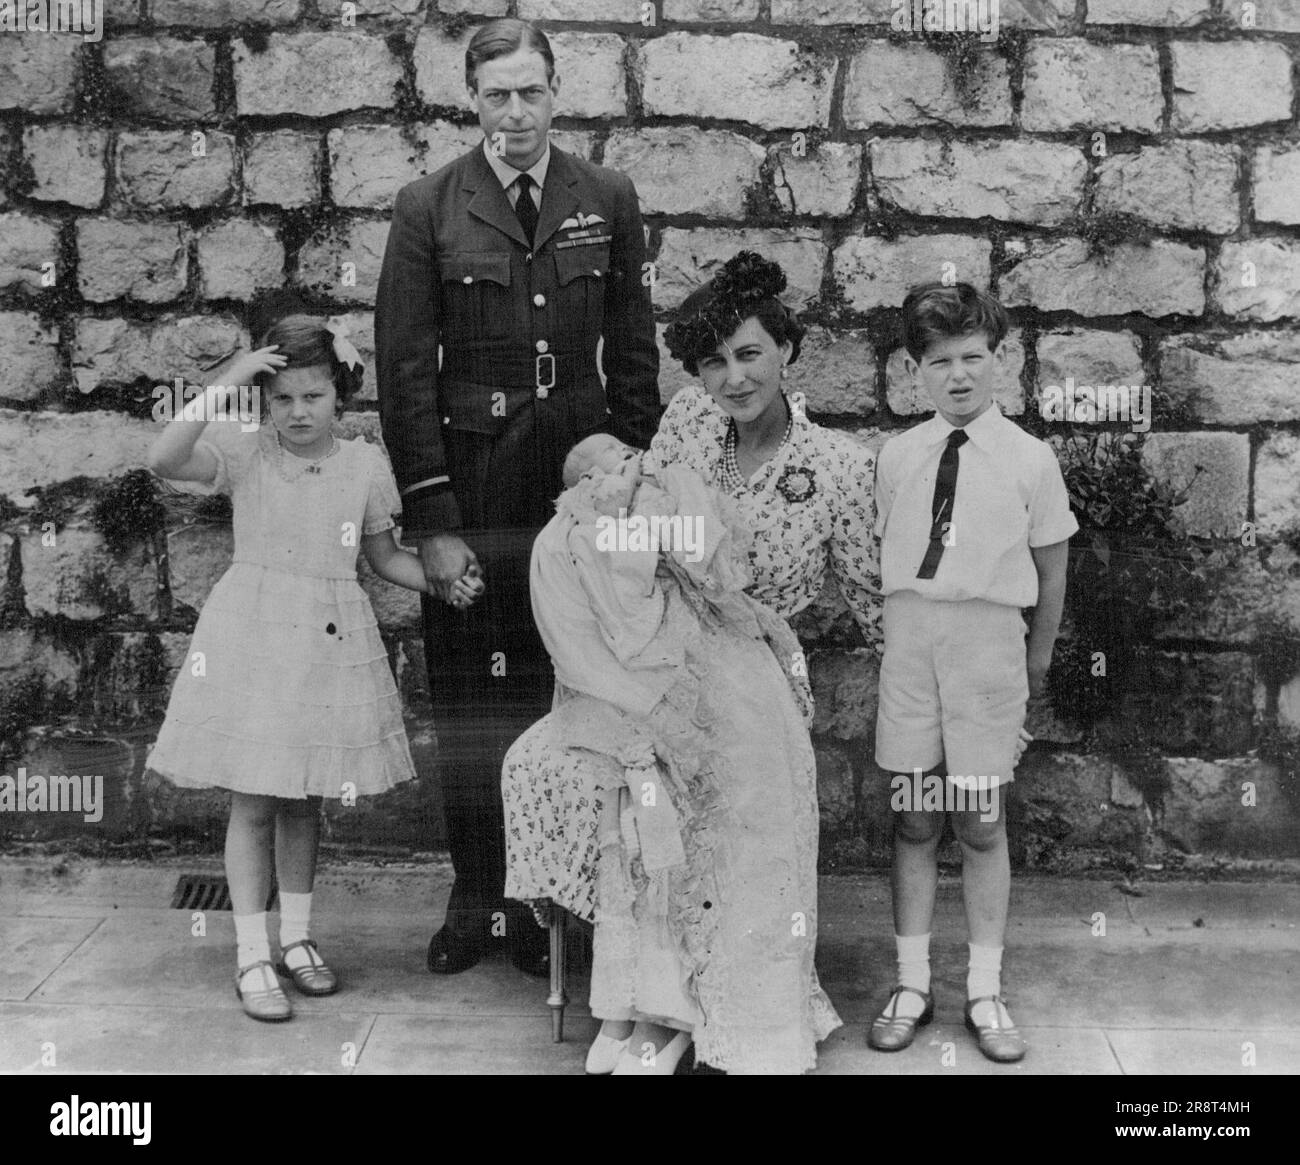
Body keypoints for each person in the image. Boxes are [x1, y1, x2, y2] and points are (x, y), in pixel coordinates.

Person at [503, 252, 883, 1071]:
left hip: (758, 669)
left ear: (786, 349)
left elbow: (874, 600)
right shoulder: (684, 425)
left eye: (750, 353)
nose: (733, 378)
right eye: (713, 361)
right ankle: (650, 1000)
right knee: (619, 777)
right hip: (663, 659)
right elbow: (631, 545)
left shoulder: (841, 468)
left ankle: (733, 1013)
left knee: (718, 788)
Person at [375, 16, 660, 978]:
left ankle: (549, 903)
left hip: (574, 480)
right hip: (476, 480)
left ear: (555, 91)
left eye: (530, 90)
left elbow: (630, 348)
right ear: (472, 99)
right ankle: (475, 897)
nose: (515, 111)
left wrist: (638, 485)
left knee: (571, 683)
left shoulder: (606, 196)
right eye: (496, 94)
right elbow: (406, 373)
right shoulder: (428, 206)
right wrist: (433, 520)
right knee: (470, 693)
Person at [511, 432, 836, 1074]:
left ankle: (740, 1015)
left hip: (718, 653)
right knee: (650, 800)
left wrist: (669, 506)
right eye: (611, 463)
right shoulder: (576, 536)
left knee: (751, 782)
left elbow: (717, 568)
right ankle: (650, 1006)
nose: (629, 463)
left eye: (629, 454)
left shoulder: (670, 493)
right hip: (641, 674)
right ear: (583, 485)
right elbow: (611, 619)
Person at [145, 315, 437, 1022]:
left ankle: (298, 937)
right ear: (264, 402)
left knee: (305, 798)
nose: (298, 412)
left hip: (328, 641)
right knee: (254, 798)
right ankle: (252, 952)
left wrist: (443, 580)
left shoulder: (364, 464)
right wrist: (230, 378)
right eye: (282, 399)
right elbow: (163, 455)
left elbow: (384, 557)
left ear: (341, 396)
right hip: (254, 635)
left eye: (313, 396)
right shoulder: (248, 453)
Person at [868, 282, 1075, 1063]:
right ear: (914, 372)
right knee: (916, 816)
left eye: (973, 358)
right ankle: (912, 982)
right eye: (939, 361)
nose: (958, 376)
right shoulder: (898, 455)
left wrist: (1038, 661)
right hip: (914, 648)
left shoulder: (1030, 460)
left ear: (1001, 361)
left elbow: (1051, 574)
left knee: (980, 821)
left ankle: (984, 989)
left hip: (990, 652)